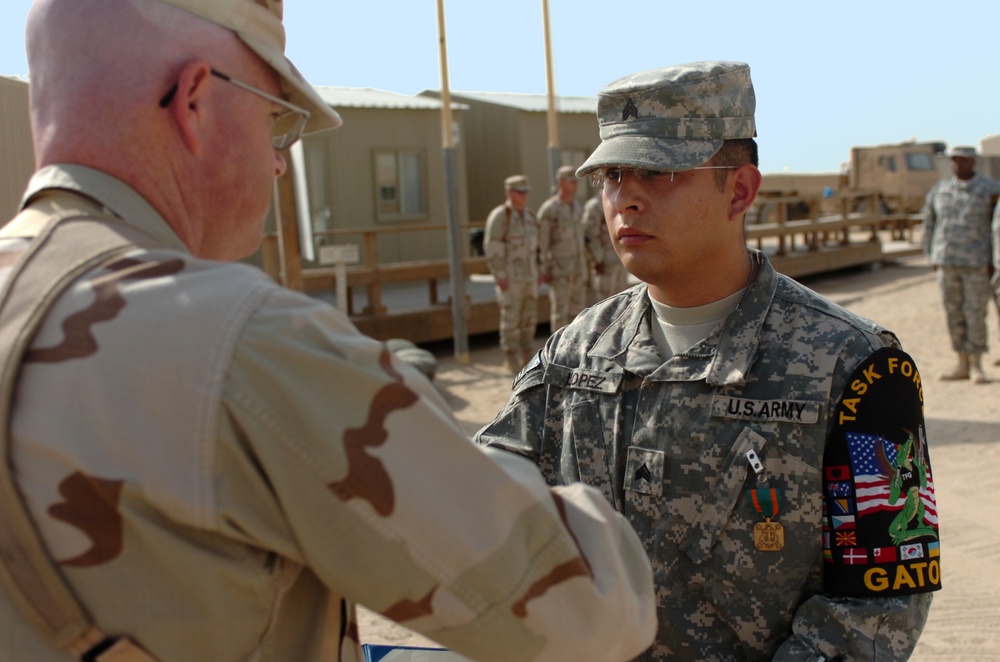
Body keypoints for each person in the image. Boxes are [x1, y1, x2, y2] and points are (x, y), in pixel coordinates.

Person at [0, 1, 659, 660]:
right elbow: (589, 612)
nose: (280, 160)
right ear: (194, 101)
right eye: (276, 119)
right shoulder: (241, 340)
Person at [476, 61, 941, 661]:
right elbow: (488, 504)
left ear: (741, 190)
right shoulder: (573, 353)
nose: (627, 198)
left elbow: (880, 605)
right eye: (614, 174)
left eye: (659, 171)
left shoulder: (853, 366)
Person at [922, 145, 1000, 383]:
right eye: (955, 160)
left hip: (977, 263)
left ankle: (977, 365)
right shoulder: (941, 189)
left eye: (964, 160)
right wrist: (932, 256)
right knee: (953, 313)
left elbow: (997, 229)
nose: (959, 164)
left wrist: (994, 262)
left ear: (973, 162)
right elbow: (929, 223)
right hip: (947, 262)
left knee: (975, 313)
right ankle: (961, 363)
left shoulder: (990, 190)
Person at [484, 174, 541, 373]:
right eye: (520, 192)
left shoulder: (530, 216)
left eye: (526, 192)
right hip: (511, 277)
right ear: (509, 193)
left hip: (529, 277)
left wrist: (539, 271)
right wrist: (499, 275)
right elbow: (493, 247)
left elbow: (537, 249)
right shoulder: (501, 216)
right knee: (510, 319)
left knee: (529, 318)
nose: (524, 196)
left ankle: (527, 356)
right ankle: (510, 358)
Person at [537, 165, 588, 330]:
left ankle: (574, 352)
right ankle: (558, 354)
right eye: (570, 181)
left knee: (578, 314)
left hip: (578, 270)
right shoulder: (550, 209)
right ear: (560, 182)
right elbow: (542, 243)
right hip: (560, 271)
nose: (575, 184)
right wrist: (544, 269)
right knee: (560, 314)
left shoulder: (577, 207)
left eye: (576, 181)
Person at [582, 190, 628, 302]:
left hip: (618, 261)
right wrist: (597, 259)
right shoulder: (595, 206)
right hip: (604, 264)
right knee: (606, 302)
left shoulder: (619, 201)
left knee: (622, 302)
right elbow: (589, 236)